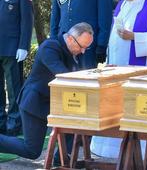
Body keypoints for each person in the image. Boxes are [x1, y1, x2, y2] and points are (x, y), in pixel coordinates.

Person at [90, 0, 147, 158]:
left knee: (134, 107)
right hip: (117, 65)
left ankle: (137, 151)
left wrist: (134, 37)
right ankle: (110, 149)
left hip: (139, 69)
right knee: (116, 105)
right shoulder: (122, 4)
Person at [0, 22, 93, 160]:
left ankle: (62, 159)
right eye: (82, 47)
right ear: (69, 39)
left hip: (53, 103)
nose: (83, 51)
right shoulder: (50, 47)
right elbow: (62, 75)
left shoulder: (74, 49)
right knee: (32, 150)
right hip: (34, 103)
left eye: (87, 47)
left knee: (78, 117)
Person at [0, 0, 34, 136]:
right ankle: (0, 122)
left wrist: (24, 45)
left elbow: (26, 20)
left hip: (12, 48)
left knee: (13, 89)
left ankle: (14, 123)